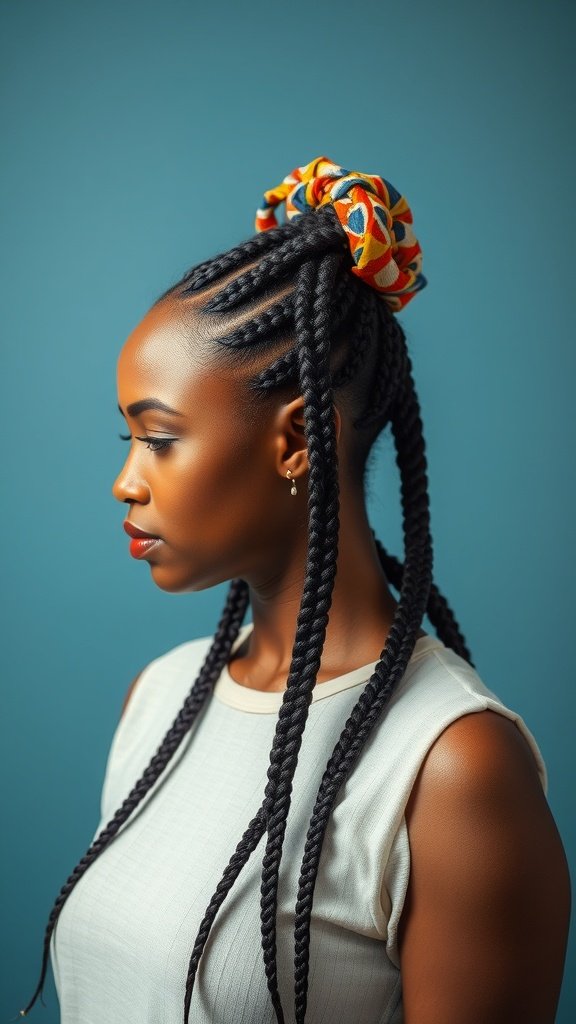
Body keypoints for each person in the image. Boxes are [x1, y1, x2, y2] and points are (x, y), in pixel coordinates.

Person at [18, 157, 570, 1024]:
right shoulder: (157, 699)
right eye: (126, 437)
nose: (125, 482)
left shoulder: (452, 772)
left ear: (296, 440)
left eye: (158, 438)